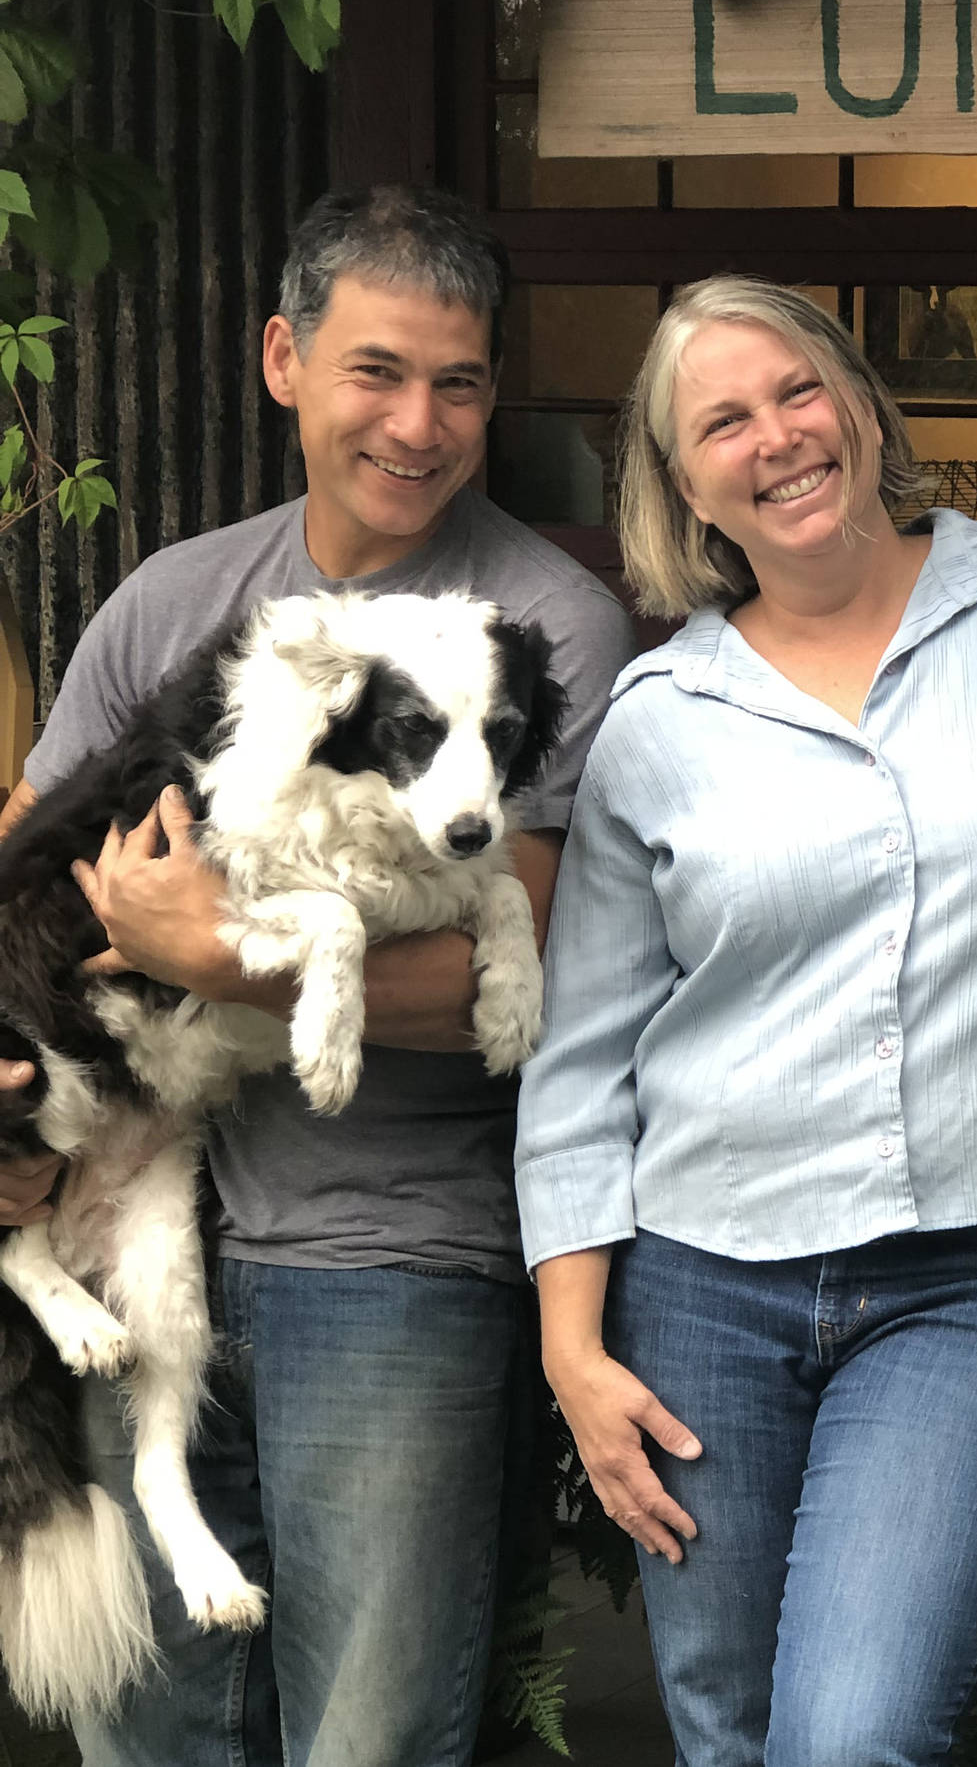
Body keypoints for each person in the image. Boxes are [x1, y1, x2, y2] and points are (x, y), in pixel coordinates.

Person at [0, 184, 635, 1767]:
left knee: (372, 1733)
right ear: (285, 360)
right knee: (152, 1732)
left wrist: (201, 952)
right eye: (378, 371)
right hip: (136, 1204)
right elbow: (25, 866)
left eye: (460, 382)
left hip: (395, 1250)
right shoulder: (176, 597)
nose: (419, 424)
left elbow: (512, 963)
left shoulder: (543, 629)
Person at [514, 276, 977, 1765]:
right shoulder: (661, 718)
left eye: (800, 391)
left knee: (854, 1738)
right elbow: (585, 1053)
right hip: (700, 1288)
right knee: (728, 1732)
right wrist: (572, 1349)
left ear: (863, 403)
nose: (778, 438)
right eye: (723, 423)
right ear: (685, 486)